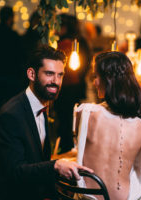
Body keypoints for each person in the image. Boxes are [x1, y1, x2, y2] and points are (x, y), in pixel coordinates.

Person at [0, 45, 92, 200]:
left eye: (60, 75)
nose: (56, 82)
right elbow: (16, 171)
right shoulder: (11, 115)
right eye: (49, 74)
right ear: (31, 74)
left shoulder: (42, 105)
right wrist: (55, 166)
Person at [74, 51, 141, 200]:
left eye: (96, 77)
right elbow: (139, 169)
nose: (94, 82)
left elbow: (79, 148)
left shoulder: (86, 113)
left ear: (108, 80)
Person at [0, 6, 25, 154]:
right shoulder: (14, 36)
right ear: (10, 19)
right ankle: (7, 145)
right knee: (10, 112)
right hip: (11, 80)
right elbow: (20, 58)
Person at [54, 14, 92, 153]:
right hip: (74, 88)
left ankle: (67, 149)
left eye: (59, 26)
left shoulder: (67, 43)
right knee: (71, 120)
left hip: (67, 89)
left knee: (67, 121)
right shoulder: (82, 41)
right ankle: (70, 148)